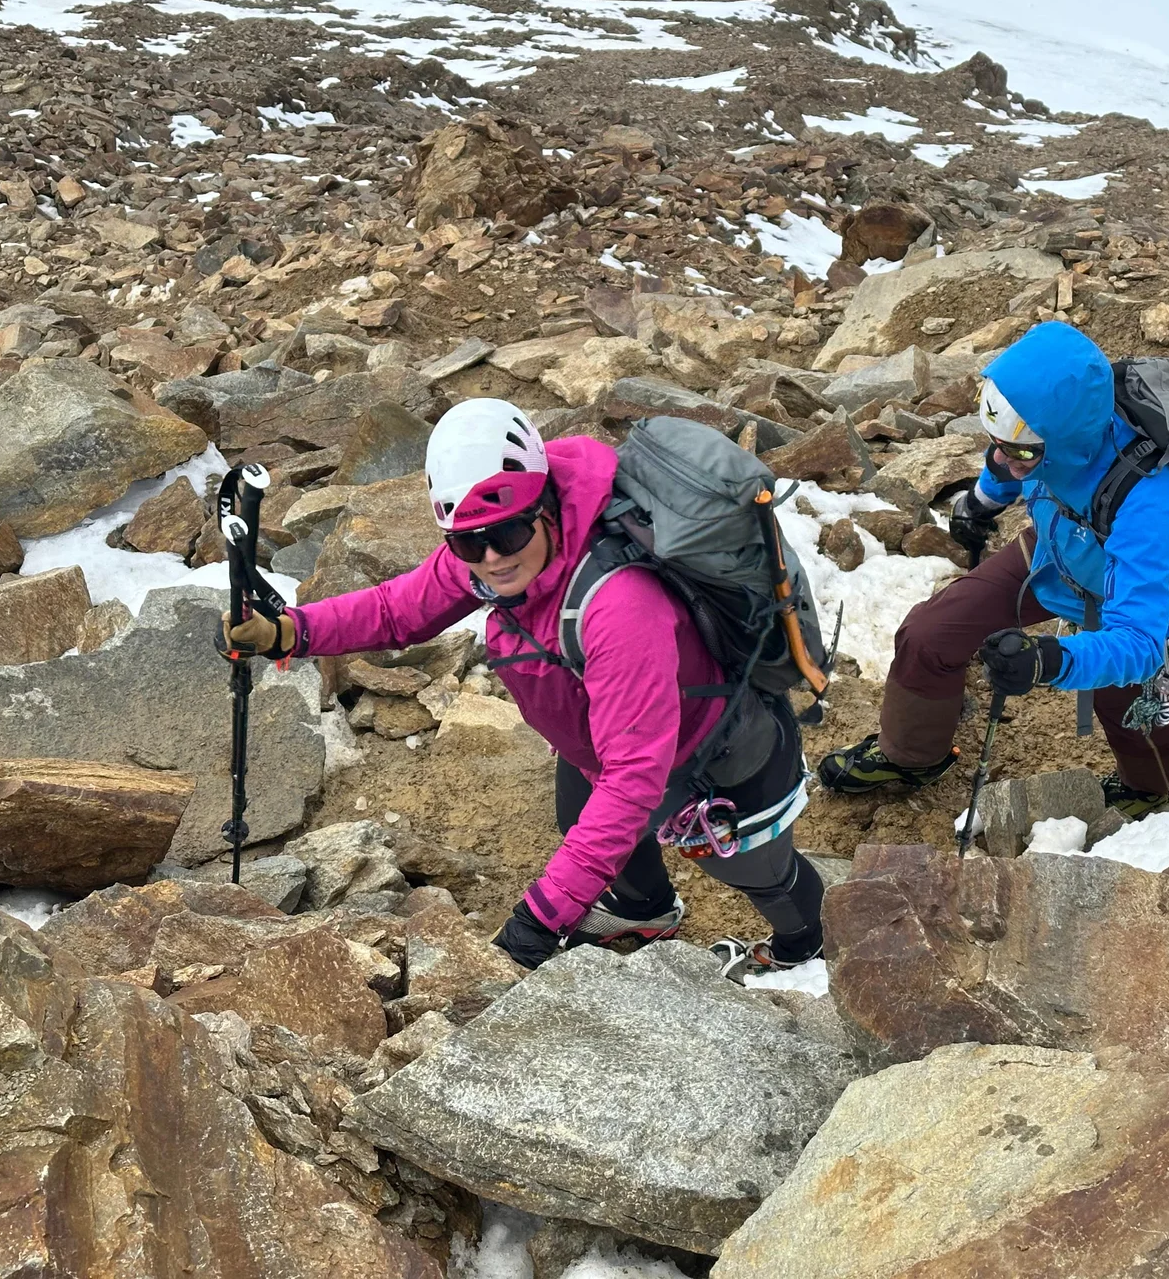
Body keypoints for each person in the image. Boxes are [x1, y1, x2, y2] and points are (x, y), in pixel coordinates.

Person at [218, 398, 828, 973]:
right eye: (465, 543)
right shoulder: (497, 543)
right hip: (602, 737)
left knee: (760, 873)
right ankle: (645, 914)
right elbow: (396, 610)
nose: (489, 559)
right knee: (578, 817)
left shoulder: (619, 605)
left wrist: (540, 918)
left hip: (716, 759)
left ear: (544, 506)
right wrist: (286, 632)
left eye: (507, 535)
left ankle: (805, 949)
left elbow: (633, 781)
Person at [819, 321, 1169, 818]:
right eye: (994, 437)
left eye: (1020, 450)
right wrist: (979, 502)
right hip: (1054, 552)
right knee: (928, 634)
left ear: (1065, 442)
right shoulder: (1034, 437)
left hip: (1127, 589)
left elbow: (1141, 644)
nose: (1000, 455)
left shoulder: (1148, 499)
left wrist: (1049, 660)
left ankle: (1151, 788)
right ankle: (911, 758)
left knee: (1124, 706)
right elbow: (1005, 464)